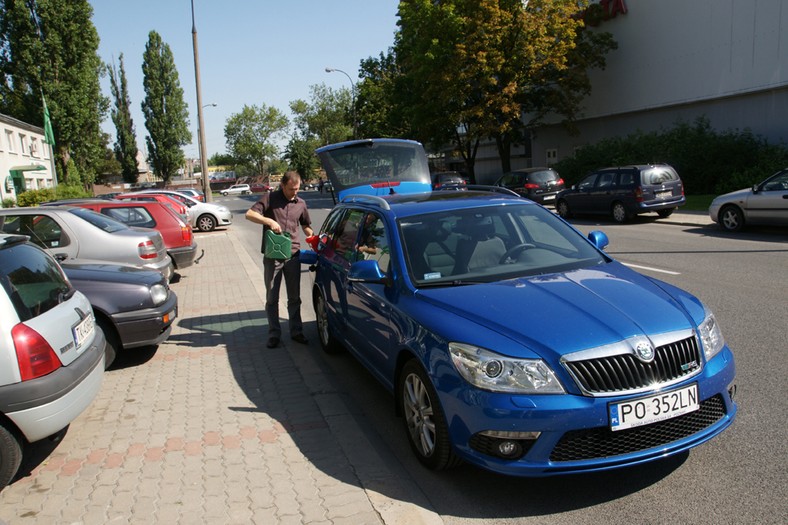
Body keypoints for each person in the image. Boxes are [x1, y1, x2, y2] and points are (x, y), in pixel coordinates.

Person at [245, 171, 313, 348]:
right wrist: (268, 221)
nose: (294, 192)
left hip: (293, 255)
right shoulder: (270, 198)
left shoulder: (301, 204)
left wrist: (314, 237)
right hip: (273, 256)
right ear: (283, 185)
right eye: (291, 189)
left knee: (294, 297)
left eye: (297, 189)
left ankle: (296, 331)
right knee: (272, 297)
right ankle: (274, 334)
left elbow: (306, 225)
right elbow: (249, 215)